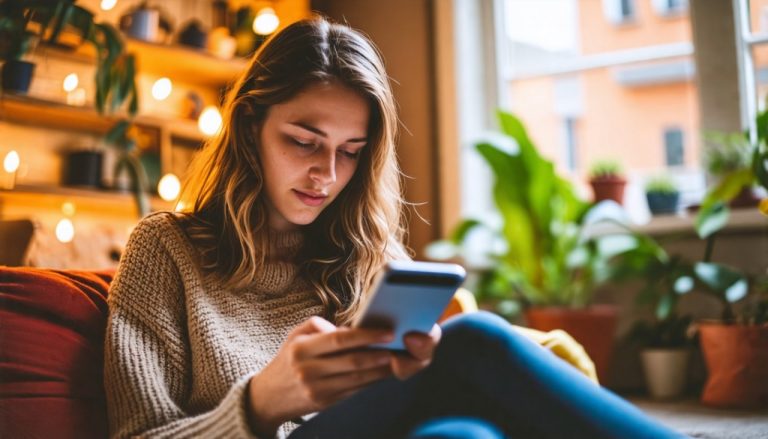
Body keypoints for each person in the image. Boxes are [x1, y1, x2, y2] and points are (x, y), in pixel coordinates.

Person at [104, 17, 687, 439]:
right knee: (477, 341)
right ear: (251, 124)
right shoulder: (165, 250)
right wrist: (259, 404)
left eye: (351, 151)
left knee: (463, 435)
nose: (326, 175)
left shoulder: (363, 252)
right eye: (303, 142)